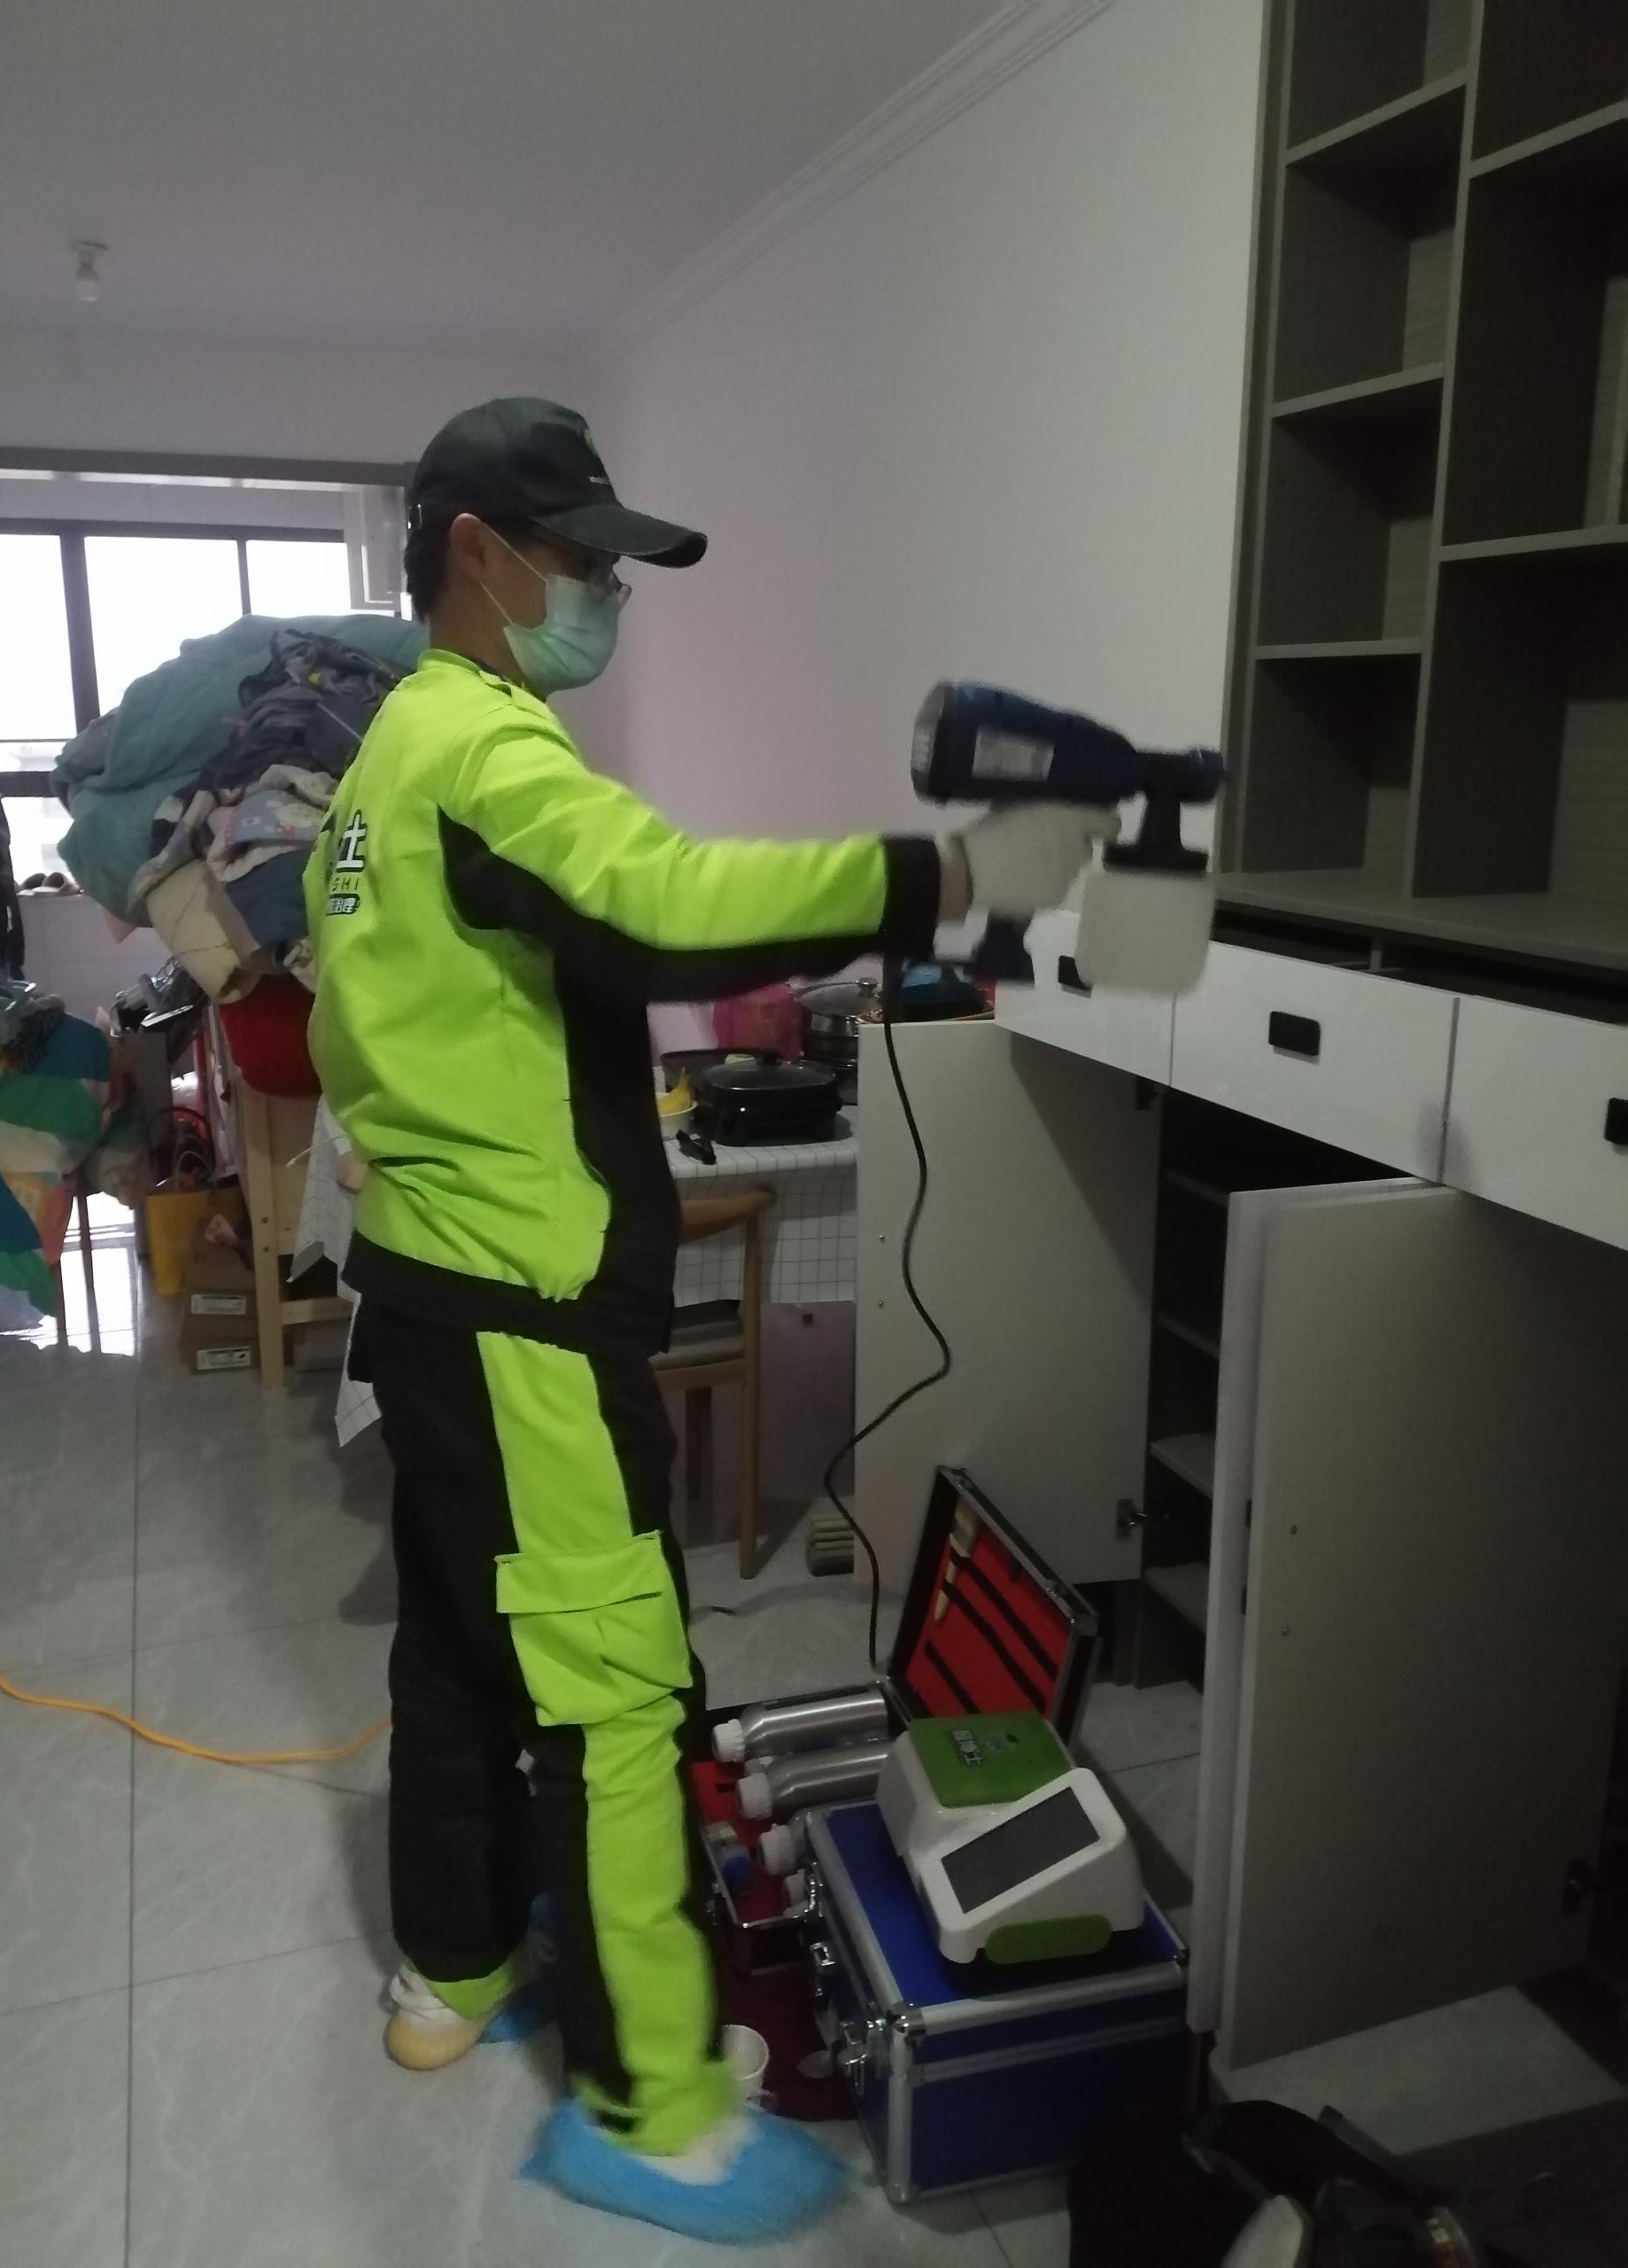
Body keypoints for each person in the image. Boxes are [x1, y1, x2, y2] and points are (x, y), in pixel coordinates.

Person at [303, 396, 1090, 2242]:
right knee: (616, 1692)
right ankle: (652, 2101)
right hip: (521, 1317)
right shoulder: (483, 749)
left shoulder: (382, 759)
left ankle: (450, 1970)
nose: (608, 595)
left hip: (426, 1290)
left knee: (460, 1648)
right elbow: (662, 906)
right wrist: (933, 876)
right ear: (477, 552)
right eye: (580, 559)